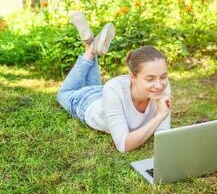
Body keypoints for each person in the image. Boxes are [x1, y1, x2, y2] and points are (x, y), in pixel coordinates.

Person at [56, 11, 172, 153]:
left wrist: (162, 117)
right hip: (85, 103)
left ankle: (90, 46)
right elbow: (123, 145)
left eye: (163, 77)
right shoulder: (114, 88)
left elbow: (162, 136)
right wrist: (160, 115)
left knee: (97, 87)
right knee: (63, 93)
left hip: (105, 96)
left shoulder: (162, 87)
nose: (159, 85)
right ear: (132, 76)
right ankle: (90, 50)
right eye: (150, 78)